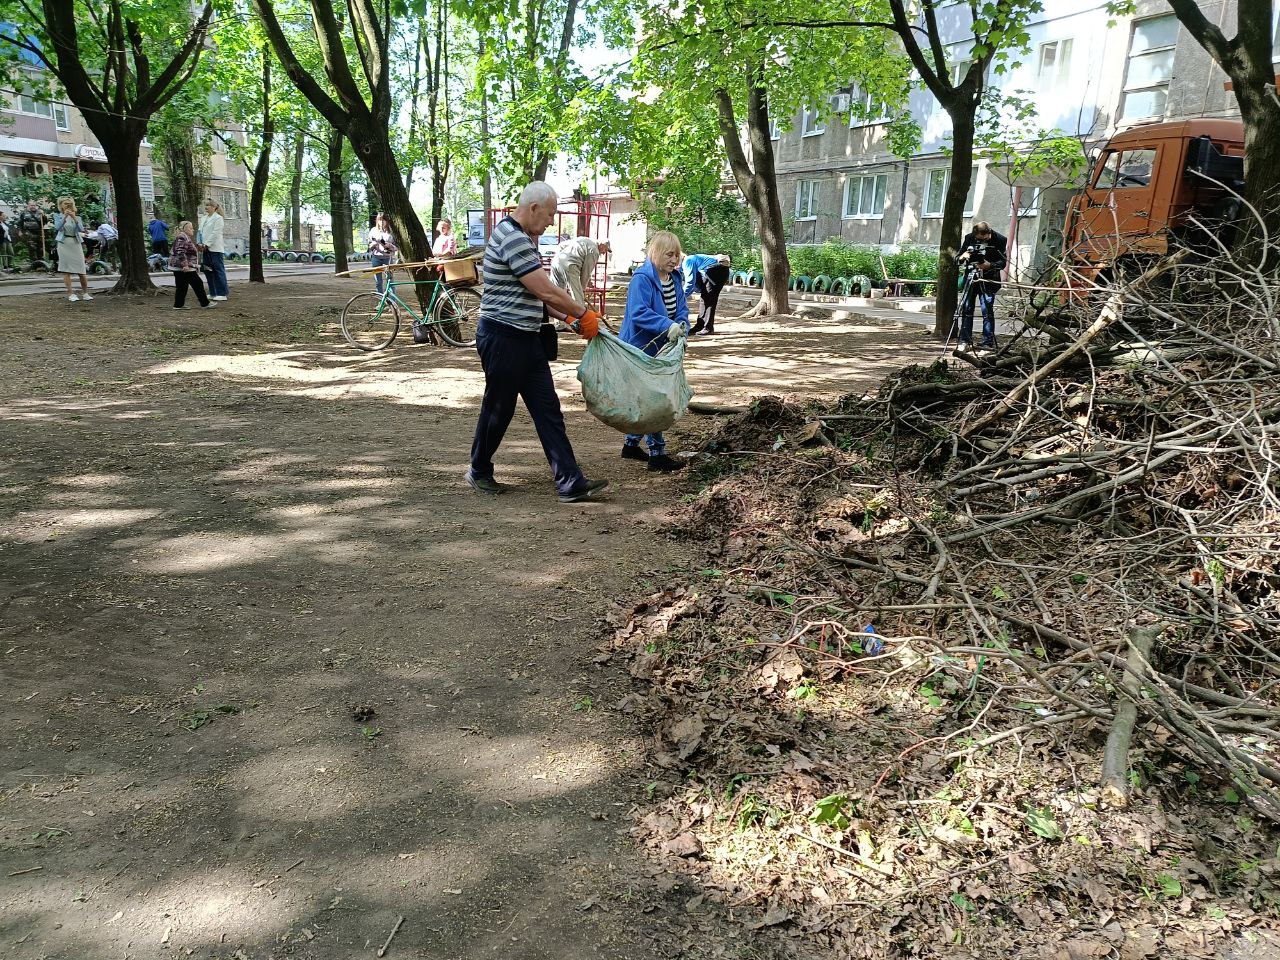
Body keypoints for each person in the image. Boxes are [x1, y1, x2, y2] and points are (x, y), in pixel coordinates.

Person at [468, 181, 608, 503]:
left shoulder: (525, 239)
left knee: (548, 409)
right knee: (498, 408)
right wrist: (583, 311)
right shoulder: (512, 237)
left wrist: (570, 319)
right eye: (549, 215)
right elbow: (544, 289)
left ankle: (570, 481)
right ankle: (478, 469)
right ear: (533, 208)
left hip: (526, 340)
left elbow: (536, 297)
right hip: (502, 338)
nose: (550, 222)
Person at [619, 230, 689, 473]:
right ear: (656, 253)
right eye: (669, 254)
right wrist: (666, 325)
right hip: (640, 347)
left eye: (677, 255)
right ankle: (657, 453)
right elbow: (638, 313)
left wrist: (681, 330)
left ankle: (630, 445)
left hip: (664, 347)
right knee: (654, 398)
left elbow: (682, 310)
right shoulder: (642, 279)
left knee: (650, 397)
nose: (674, 260)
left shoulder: (675, 279)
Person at [955, 221, 1007, 354]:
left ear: (989, 233)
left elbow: (1003, 262)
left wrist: (989, 265)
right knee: (967, 309)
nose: (981, 240)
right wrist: (963, 257)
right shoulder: (969, 238)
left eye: (984, 238)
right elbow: (957, 259)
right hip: (971, 278)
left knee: (987, 311)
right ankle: (964, 341)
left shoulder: (1000, 239)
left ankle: (987, 343)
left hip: (988, 280)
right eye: (978, 239)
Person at [549, 236, 610, 306]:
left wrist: (560, 259)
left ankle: (557, 314)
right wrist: (582, 289)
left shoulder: (583, 239)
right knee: (578, 297)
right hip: (570, 266)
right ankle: (580, 316)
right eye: (605, 250)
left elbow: (561, 245)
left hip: (556, 261)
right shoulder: (594, 251)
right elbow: (586, 272)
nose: (604, 253)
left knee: (556, 292)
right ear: (602, 245)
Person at [53, 196, 92, 303]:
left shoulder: (77, 217)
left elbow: (81, 229)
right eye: (65, 204)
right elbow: (57, 228)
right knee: (66, 269)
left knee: (81, 269)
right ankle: (70, 293)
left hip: (75, 243)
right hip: (64, 243)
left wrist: (74, 217)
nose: (67, 206)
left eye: (69, 204)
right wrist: (64, 217)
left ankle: (85, 293)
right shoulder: (57, 216)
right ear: (61, 205)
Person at [683, 252, 731, 335]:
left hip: (717, 270)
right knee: (704, 298)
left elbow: (690, 282)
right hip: (713, 271)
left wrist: (681, 297)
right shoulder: (689, 261)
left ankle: (708, 328)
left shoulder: (687, 260)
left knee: (710, 299)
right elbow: (694, 283)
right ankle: (700, 326)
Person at [169, 221, 214, 310]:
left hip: (180, 266)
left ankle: (178, 305)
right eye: (190, 228)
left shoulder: (184, 237)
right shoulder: (182, 237)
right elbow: (180, 252)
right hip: (184, 266)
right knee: (197, 283)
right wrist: (185, 265)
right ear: (185, 229)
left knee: (182, 286)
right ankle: (205, 303)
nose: (193, 229)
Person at [198, 198, 229, 301]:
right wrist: (199, 243)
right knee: (208, 270)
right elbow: (200, 231)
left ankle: (222, 293)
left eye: (208, 205)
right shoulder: (203, 218)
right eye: (205, 205)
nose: (206, 207)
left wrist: (207, 244)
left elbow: (215, 233)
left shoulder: (218, 218)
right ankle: (213, 292)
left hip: (215, 248)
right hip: (204, 248)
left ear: (214, 207)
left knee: (218, 270)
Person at [367, 212, 397, 294]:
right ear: (377, 221)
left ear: (387, 221)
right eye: (380, 220)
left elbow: (396, 247)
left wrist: (389, 245)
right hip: (376, 258)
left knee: (390, 280)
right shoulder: (373, 231)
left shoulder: (391, 232)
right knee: (378, 282)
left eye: (384, 220)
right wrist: (372, 244)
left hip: (388, 258)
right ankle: (381, 300)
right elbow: (369, 246)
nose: (382, 222)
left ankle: (392, 302)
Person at [17, 200, 46, 268]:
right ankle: (33, 263)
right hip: (29, 232)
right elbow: (19, 223)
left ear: (36, 206)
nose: (33, 206)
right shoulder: (24, 213)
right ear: (28, 206)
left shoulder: (40, 212)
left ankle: (40, 263)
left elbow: (45, 222)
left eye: (34, 205)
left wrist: (44, 215)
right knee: (32, 247)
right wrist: (20, 231)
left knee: (40, 248)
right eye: (31, 205)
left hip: (39, 232)